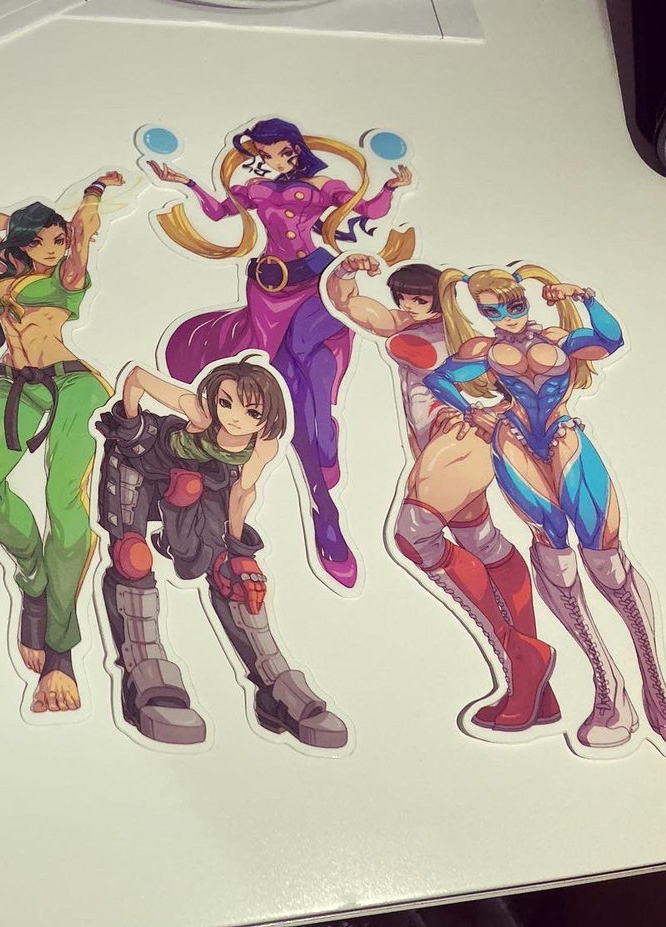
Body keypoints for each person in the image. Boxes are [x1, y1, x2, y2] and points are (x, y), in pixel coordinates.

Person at [150, 118, 414, 588]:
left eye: (280, 151)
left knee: (308, 354)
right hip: (268, 289)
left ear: (294, 147)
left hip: (317, 279)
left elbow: (366, 208)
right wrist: (185, 182)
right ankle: (325, 507)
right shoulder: (254, 189)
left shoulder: (322, 186)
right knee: (290, 391)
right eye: (265, 153)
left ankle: (324, 434)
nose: (274, 159)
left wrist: (392, 188)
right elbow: (218, 213)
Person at [425, 266, 666, 747]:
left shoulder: (557, 339)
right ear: (481, 312)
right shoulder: (484, 351)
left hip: (562, 435)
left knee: (606, 555)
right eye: (493, 310)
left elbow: (610, 340)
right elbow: (440, 378)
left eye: (514, 305)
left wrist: (585, 296)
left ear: (526, 300)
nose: (507, 317)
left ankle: (655, 686)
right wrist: (473, 411)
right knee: (554, 553)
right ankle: (607, 688)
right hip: (514, 440)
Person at [325, 254, 558, 732]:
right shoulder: (405, 325)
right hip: (434, 439)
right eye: (404, 299)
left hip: (460, 434)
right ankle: (535, 686)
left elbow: (509, 372)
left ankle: (520, 655)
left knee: (415, 533)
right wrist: (347, 270)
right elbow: (349, 305)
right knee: (481, 541)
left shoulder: (459, 334)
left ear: (442, 299)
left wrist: (494, 408)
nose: (411, 306)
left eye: (421, 299)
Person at [96, 359, 347, 748]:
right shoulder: (199, 413)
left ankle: (274, 686)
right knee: (133, 558)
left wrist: (236, 547)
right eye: (226, 403)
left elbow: (242, 493)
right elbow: (138, 377)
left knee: (237, 575)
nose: (234, 418)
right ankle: (143, 672)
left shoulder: (261, 446)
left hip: (204, 480)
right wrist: (129, 422)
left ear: (267, 417)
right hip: (144, 464)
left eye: (251, 412)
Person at [0, 174, 121, 715]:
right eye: (41, 240)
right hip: (13, 384)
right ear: (22, 244)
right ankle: (34, 578)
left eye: (57, 240)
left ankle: (59, 653)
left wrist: (90, 197)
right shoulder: (7, 272)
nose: (52, 248)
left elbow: (84, 232)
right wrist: (30, 222)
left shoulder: (68, 275)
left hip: (72, 385)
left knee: (64, 507)